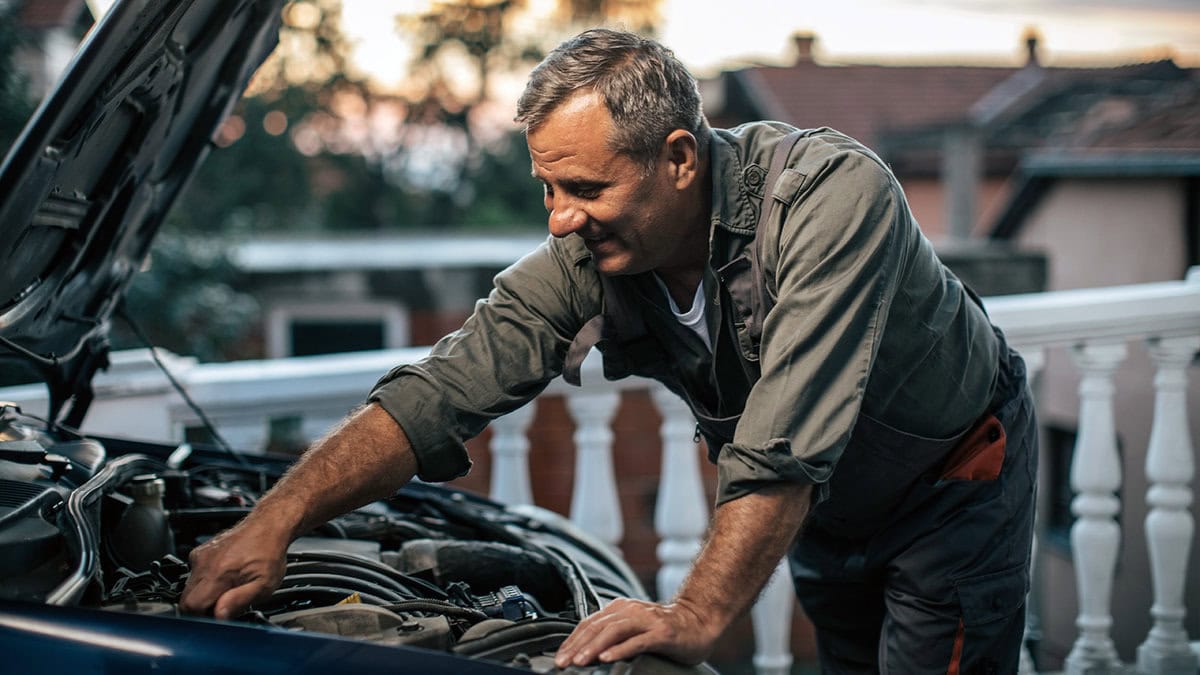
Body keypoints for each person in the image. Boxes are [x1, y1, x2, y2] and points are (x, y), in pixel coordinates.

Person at [180, 28, 1037, 673]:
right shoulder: (593, 255)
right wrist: (272, 523)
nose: (559, 217)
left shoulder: (831, 200)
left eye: (585, 188)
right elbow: (439, 387)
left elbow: (784, 438)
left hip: (950, 485)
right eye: (548, 188)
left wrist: (697, 610)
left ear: (677, 159)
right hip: (827, 511)